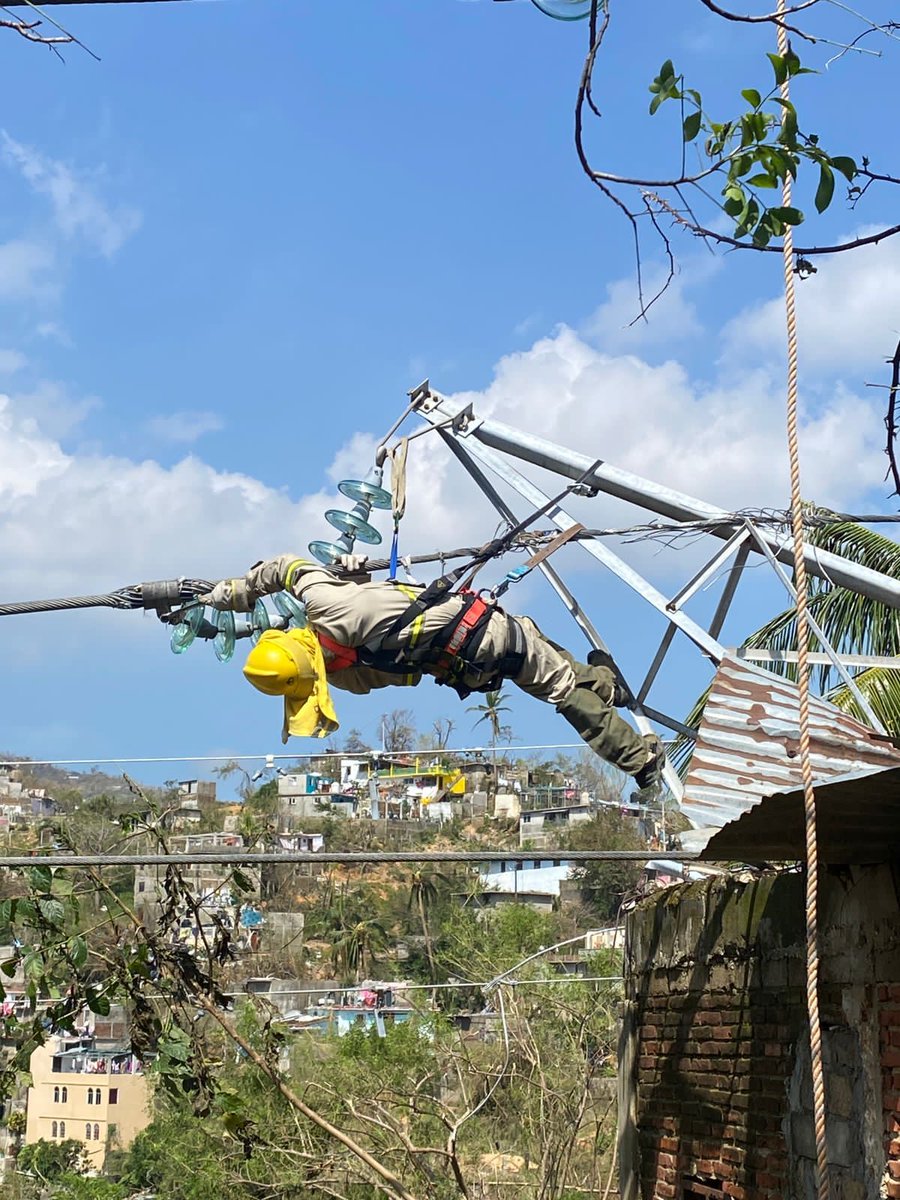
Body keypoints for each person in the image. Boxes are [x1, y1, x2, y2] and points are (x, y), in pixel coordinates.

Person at [201, 552, 663, 790]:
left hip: (473, 668)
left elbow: (406, 669)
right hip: (491, 632)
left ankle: (607, 684)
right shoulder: (327, 602)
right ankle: (640, 761)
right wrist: (240, 592)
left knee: (544, 652)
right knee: (562, 688)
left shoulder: (345, 676)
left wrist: (359, 586)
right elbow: (287, 567)